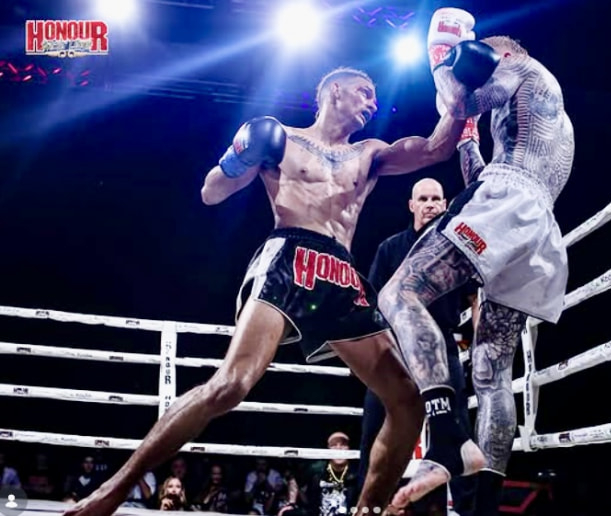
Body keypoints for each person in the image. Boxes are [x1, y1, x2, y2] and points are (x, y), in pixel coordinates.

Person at [63, 65, 468, 516]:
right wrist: (241, 154)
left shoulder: (370, 153)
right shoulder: (281, 139)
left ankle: (368, 510)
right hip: (288, 257)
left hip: (341, 273)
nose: (373, 103)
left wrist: (459, 86)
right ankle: (116, 488)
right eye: (364, 92)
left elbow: (436, 148)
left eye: (375, 97)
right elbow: (211, 192)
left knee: (408, 400)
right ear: (334, 91)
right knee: (230, 385)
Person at [378, 8, 574, 512]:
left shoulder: (520, 66)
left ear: (502, 54)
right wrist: (467, 136)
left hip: (508, 201)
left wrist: (441, 54)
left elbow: (457, 100)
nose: (480, 67)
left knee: (399, 293)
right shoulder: (542, 112)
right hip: (536, 228)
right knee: (491, 371)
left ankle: (445, 435)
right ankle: (484, 505)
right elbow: (482, 175)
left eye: (486, 58)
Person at [358, 178, 478, 515]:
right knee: (374, 429)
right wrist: (369, 355)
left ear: (445, 204)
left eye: (436, 198)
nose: (429, 204)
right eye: (422, 199)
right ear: (411, 205)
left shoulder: (458, 250)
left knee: (457, 429)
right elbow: (370, 304)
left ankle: (465, 511)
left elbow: (475, 298)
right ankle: (368, 507)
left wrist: (481, 344)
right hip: (394, 350)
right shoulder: (390, 248)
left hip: (442, 346)